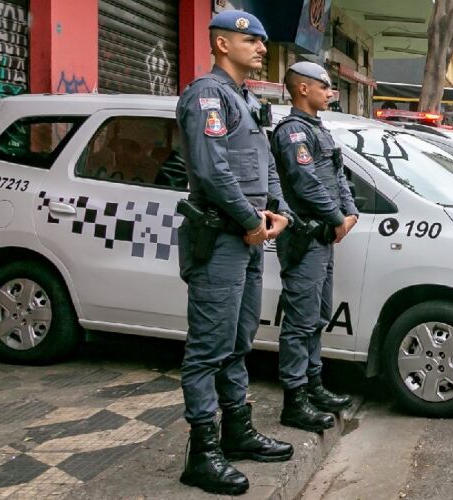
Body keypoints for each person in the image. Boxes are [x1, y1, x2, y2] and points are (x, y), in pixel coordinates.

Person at [175, 10, 295, 495]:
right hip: (221, 237)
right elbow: (210, 169)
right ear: (222, 44)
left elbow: (263, 162)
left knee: (239, 339)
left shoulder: (246, 101)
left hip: (248, 238)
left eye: (264, 40)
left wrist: (278, 211)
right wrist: (250, 222)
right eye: (252, 40)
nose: (262, 47)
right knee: (208, 347)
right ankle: (202, 454)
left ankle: (237, 432)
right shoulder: (206, 95)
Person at [271, 62, 358, 433]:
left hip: (324, 238)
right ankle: (295, 399)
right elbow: (305, 183)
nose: (330, 91)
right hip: (306, 238)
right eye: (325, 86)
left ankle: (314, 386)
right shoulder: (293, 133)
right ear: (303, 89)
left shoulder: (319, 130)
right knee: (300, 320)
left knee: (318, 315)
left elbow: (337, 174)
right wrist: (338, 217)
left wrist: (349, 212)